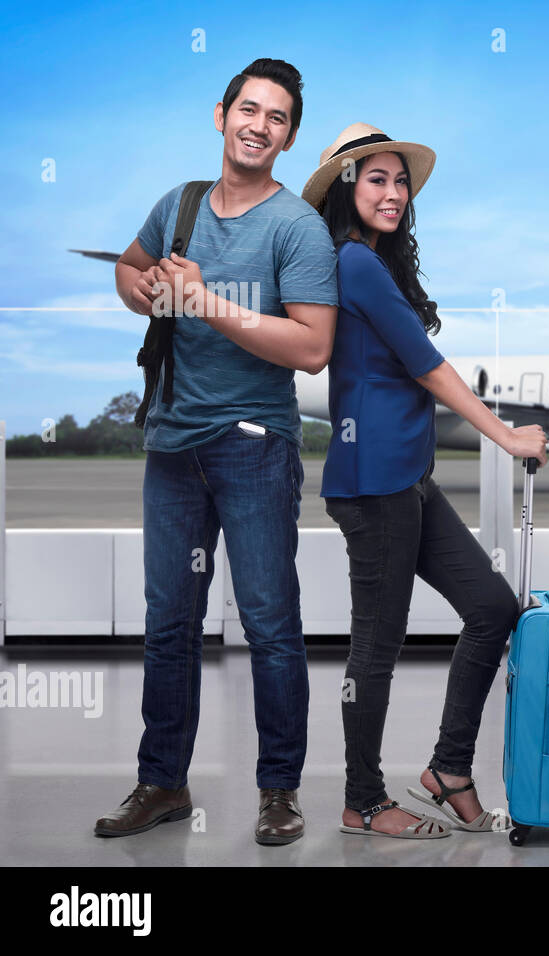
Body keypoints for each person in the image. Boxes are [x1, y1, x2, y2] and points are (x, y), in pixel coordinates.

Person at [96, 59, 339, 846]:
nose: (258, 125)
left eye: (276, 117)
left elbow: (311, 349)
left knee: (270, 625)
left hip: (255, 451)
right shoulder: (181, 205)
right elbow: (132, 273)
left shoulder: (296, 227)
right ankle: (161, 782)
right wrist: (150, 291)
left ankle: (279, 792)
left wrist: (205, 301)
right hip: (171, 447)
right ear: (220, 114)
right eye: (248, 109)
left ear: (289, 136)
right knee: (168, 624)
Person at [300, 123, 548, 838]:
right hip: (373, 483)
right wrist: (502, 435)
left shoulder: (376, 266)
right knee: (376, 647)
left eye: (399, 179)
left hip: (407, 477)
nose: (393, 192)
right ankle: (363, 800)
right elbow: (426, 364)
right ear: (346, 190)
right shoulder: (352, 262)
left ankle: (449, 770)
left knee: (493, 609)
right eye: (375, 178)